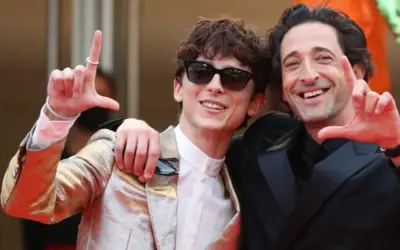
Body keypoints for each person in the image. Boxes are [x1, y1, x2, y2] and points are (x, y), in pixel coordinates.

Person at [110, 4, 400, 250]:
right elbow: (195, 150)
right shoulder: (256, 146)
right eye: (292, 63)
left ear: (359, 72)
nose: (308, 75)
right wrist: (129, 128)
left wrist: (398, 147)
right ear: (281, 86)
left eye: (323, 58)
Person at [1, 16, 269, 249]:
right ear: (178, 87)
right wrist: (56, 117)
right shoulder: (118, 152)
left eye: (233, 77)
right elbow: (25, 203)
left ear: (255, 103)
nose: (215, 85)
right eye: (201, 72)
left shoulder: (244, 200)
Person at [20, 68, 117, 250]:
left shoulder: (119, 165)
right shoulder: (49, 163)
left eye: (101, 95)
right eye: (88, 96)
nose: (93, 105)